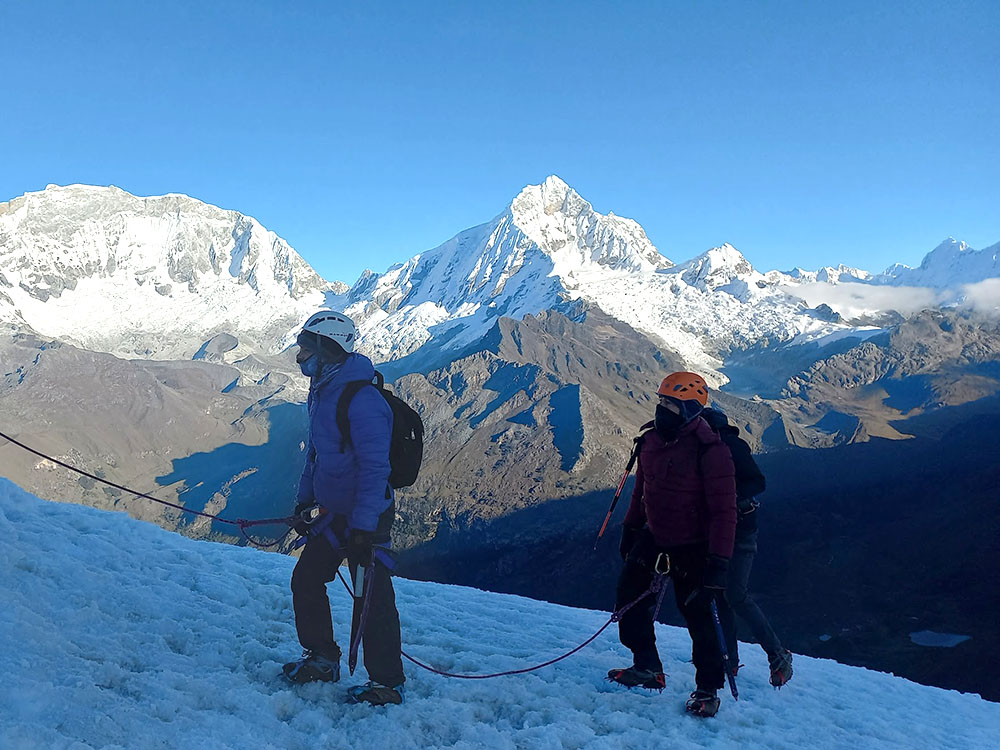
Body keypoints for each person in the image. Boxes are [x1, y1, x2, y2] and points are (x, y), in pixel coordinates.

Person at [281, 310, 405, 706]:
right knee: (307, 579)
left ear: (330, 349)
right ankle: (322, 658)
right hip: (335, 514)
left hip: (364, 516)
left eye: (307, 349)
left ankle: (387, 682)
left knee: (371, 598)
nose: (301, 356)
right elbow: (317, 454)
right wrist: (305, 500)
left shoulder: (362, 399)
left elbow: (374, 468)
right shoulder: (323, 389)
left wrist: (365, 527)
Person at [609, 371, 737, 718]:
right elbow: (642, 489)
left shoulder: (712, 451)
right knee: (628, 600)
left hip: (695, 546)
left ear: (691, 409)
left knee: (698, 617)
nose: (663, 409)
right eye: (662, 401)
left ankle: (707, 689)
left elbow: (725, 511)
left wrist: (719, 561)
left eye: (671, 404)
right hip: (655, 536)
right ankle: (647, 666)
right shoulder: (650, 441)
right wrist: (631, 527)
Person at [701, 407, 793, 688]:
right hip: (721, 531)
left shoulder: (728, 447)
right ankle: (729, 658)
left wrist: (728, 499)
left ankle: (777, 654)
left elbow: (757, 481)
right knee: (721, 594)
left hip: (738, 533)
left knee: (733, 594)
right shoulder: (715, 447)